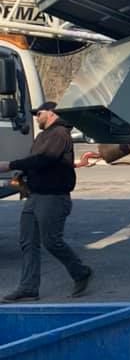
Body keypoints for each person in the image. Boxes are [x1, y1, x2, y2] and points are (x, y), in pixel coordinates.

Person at [0, 100, 92, 302]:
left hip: (53, 198)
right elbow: (37, 162)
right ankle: (28, 287)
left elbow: (45, 159)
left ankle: (80, 272)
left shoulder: (59, 134)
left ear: (51, 113)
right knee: (27, 242)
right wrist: (22, 174)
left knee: (51, 241)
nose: (36, 117)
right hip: (35, 196)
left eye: (39, 113)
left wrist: (9, 165)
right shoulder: (43, 135)